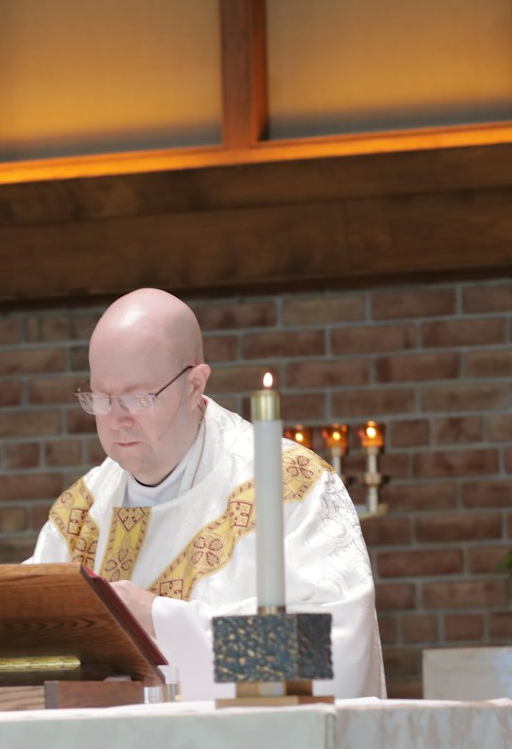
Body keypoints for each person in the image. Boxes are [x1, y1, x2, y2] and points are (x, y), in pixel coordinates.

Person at [26, 288, 385, 700]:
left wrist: (162, 621)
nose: (117, 420)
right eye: (101, 398)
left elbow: (330, 655)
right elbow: (32, 648)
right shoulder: (80, 515)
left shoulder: (288, 488)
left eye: (137, 397)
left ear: (195, 385)